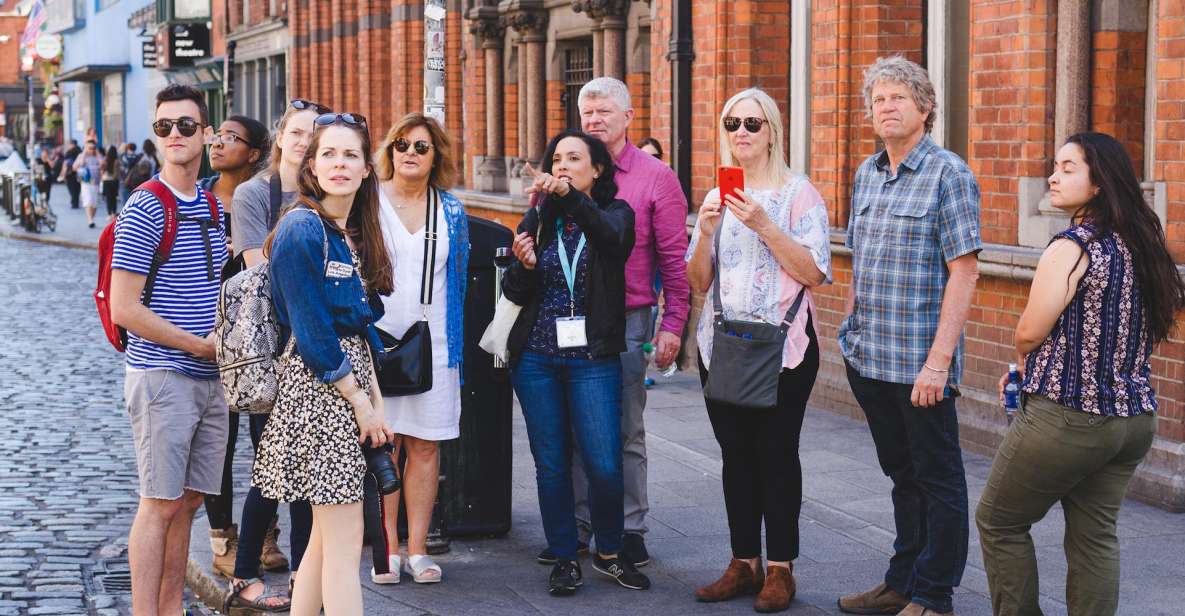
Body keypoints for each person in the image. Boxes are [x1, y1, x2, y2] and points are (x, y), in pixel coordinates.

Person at [976, 133, 1185, 616]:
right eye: (1055, 165)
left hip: (1070, 416)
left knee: (999, 522)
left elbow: (1030, 330)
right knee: (1095, 538)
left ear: (1099, 182)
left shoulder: (1072, 246)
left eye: (1068, 168)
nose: (1053, 175)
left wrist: (1023, 350)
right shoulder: (1142, 245)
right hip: (1132, 421)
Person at [835, 56, 982, 616]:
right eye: (878, 99)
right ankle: (902, 580)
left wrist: (939, 363)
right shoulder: (867, 174)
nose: (887, 106)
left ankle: (933, 595)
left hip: (922, 367)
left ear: (924, 108)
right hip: (870, 358)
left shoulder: (950, 174)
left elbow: (964, 271)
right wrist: (850, 330)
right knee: (901, 476)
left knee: (938, 480)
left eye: (899, 97)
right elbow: (858, 260)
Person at [685, 88, 831, 613]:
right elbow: (698, 282)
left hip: (784, 349)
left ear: (772, 130)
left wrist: (764, 225)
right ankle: (743, 561)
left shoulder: (798, 194)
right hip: (722, 345)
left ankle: (781, 569)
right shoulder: (716, 195)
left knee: (776, 455)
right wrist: (704, 234)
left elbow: (815, 272)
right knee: (735, 456)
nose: (741, 133)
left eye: (752, 123)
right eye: (732, 124)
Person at [251, 111, 395, 616]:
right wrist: (360, 402)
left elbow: (359, 325)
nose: (339, 163)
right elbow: (313, 335)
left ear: (366, 168)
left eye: (350, 154)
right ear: (310, 166)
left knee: (322, 542)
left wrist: (371, 400)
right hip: (322, 393)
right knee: (342, 543)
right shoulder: (302, 230)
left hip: (346, 390)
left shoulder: (348, 231)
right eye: (327, 153)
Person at [504, 129, 648, 596]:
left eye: (574, 158)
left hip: (591, 358)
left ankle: (608, 549)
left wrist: (568, 198)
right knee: (551, 464)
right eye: (557, 159)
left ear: (597, 170)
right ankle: (565, 555)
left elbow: (611, 240)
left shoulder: (614, 213)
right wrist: (522, 268)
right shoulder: (536, 219)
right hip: (537, 359)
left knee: (604, 463)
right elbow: (513, 293)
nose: (563, 165)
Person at [554, 76, 688, 569]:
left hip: (630, 318)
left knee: (625, 427)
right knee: (572, 427)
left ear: (628, 117)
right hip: (567, 317)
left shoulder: (656, 177)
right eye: (587, 113)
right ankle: (582, 523)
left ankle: (630, 528)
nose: (594, 121)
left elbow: (674, 259)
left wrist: (673, 323)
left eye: (604, 112)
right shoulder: (566, 168)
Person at [109, 84, 229, 616]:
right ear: (155, 138)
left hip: (210, 379)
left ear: (207, 133)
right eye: (164, 127)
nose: (174, 135)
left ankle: (170, 608)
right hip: (163, 377)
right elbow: (124, 309)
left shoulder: (210, 203)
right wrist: (197, 345)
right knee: (158, 505)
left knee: (189, 504)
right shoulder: (145, 208)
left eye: (185, 125)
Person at [221, 100, 328, 611]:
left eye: (316, 133)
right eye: (299, 131)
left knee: (310, 474)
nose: (306, 140)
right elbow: (257, 268)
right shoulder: (252, 194)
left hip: (318, 346)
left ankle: (306, 579)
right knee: (272, 466)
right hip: (273, 350)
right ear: (282, 137)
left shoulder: (326, 193)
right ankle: (244, 575)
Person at [370, 112, 469, 585]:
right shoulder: (368, 204)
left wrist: (458, 358)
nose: (409, 153)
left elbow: (461, 286)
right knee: (384, 446)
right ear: (390, 152)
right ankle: (386, 547)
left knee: (426, 448)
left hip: (434, 343)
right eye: (401, 145)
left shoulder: (450, 210)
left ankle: (417, 548)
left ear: (436, 157)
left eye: (421, 147)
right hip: (377, 341)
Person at [73, 139, 102, 227]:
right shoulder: (81, 156)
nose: (92, 150)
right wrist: (84, 154)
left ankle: (91, 219)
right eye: (90, 148)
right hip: (86, 182)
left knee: (94, 203)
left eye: (93, 148)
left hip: (96, 182)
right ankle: (90, 220)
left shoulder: (97, 156)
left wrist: (97, 154)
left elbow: (103, 164)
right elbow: (75, 167)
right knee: (88, 200)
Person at [60, 140, 82, 209]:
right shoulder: (80, 151)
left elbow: (65, 164)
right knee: (77, 188)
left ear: (72, 144)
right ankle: (76, 202)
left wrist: (62, 174)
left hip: (70, 173)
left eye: (69, 144)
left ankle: (74, 202)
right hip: (79, 172)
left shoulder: (69, 153)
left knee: (71, 189)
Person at [100, 145, 121, 221]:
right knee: (114, 198)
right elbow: (118, 173)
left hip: (106, 180)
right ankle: (114, 213)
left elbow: (101, 170)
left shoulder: (105, 160)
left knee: (108, 198)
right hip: (114, 181)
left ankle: (109, 214)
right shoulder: (117, 161)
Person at [120, 142, 143, 208]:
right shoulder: (138, 157)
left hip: (125, 180)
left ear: (128, 148)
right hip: (135, 181)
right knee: (134, 199)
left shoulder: (123, 157)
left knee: (125, 202)